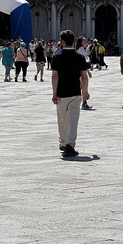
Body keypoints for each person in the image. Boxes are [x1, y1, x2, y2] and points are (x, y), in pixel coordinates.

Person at [51, 29, 90, 157]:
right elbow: (84, 76)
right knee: (73, 120)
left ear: (62, 42)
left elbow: (55, 76)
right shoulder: (79, 57)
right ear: (73, 41)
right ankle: (70, 145)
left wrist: (54, 93)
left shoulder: (56, 57)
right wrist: (85, 91)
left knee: (62, 119)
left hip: (62, 93)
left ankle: (63, 142)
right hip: (75, 93)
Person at [76, 36, 94, 109]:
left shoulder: (80, 49)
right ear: (81, 42)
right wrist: (88, 71)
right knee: (84, 87)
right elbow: (82, 62)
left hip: (80, 70)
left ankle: (83, 102)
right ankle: (84, 102)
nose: (86, 42)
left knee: (82, 87)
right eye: (84, 41)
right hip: (81, 71)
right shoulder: (81, 49)